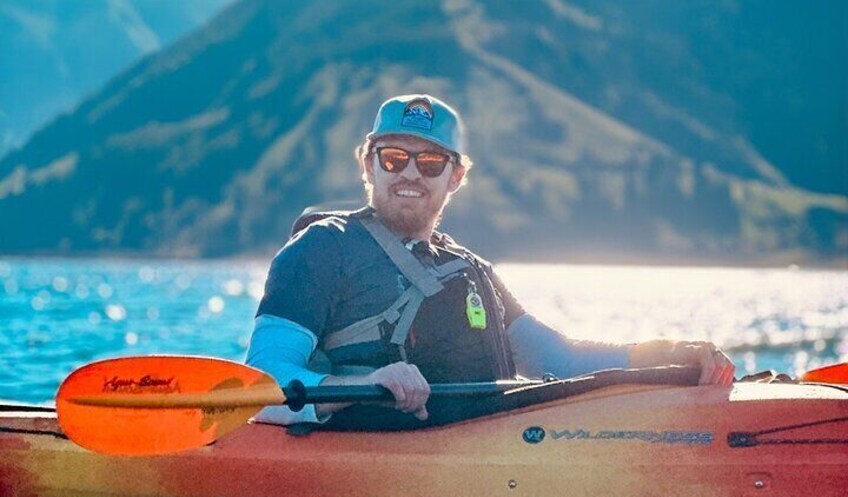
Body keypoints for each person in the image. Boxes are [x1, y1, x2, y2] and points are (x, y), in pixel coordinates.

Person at [246, 94, 735, 426]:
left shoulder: (470, 268)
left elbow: (557, 359)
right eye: (394, 157)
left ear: (455, 177)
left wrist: (667, 353)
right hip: (369, 448)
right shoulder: (319, 250)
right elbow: (261, 383)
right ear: (368, 162)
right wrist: (365, 385)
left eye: (432, 162)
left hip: (485, 441)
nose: (410, 173)